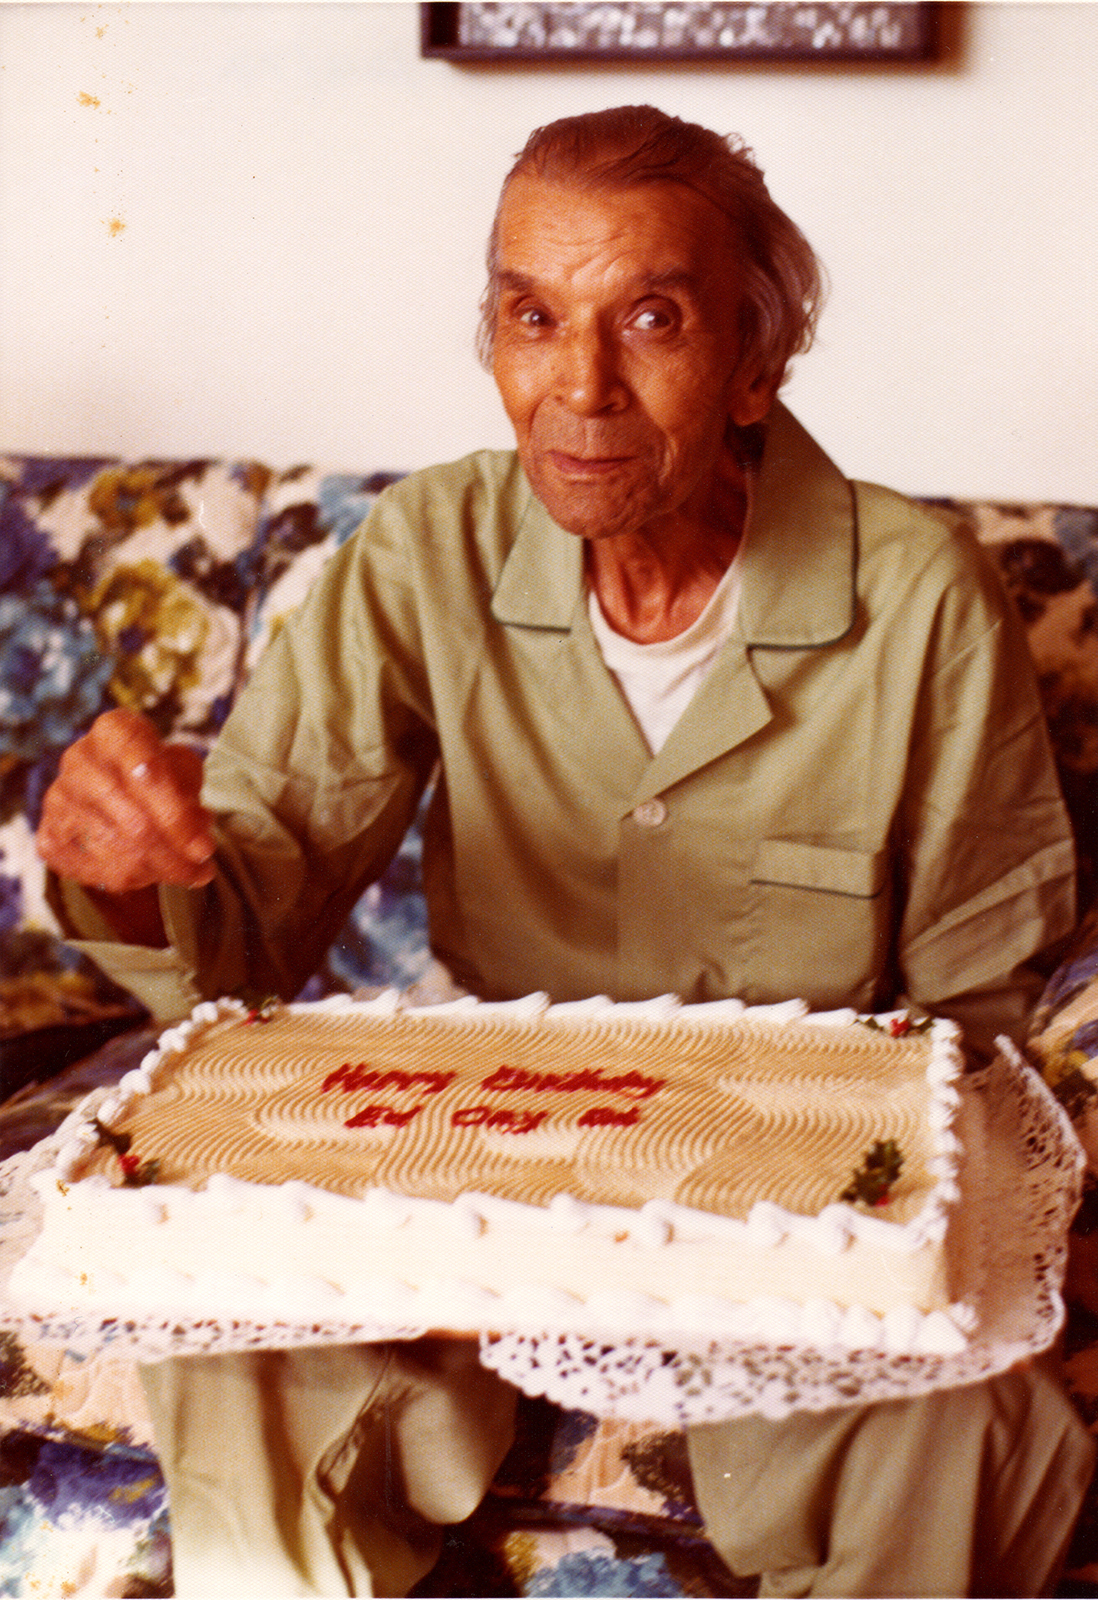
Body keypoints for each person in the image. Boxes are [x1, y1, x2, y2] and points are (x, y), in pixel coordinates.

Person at [36, 105, 1095, 1597]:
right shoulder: (423, 555)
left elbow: (978, 1017)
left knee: (975, 1427)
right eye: (533, 318)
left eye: (649, 319)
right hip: (461, 1176)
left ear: (751, 363)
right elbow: (251, 905)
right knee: (238, 1352)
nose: (578, 385)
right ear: (493, 345)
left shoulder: (917, 598)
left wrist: (801, 1254)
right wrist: (141, 862)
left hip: (777, 1223)